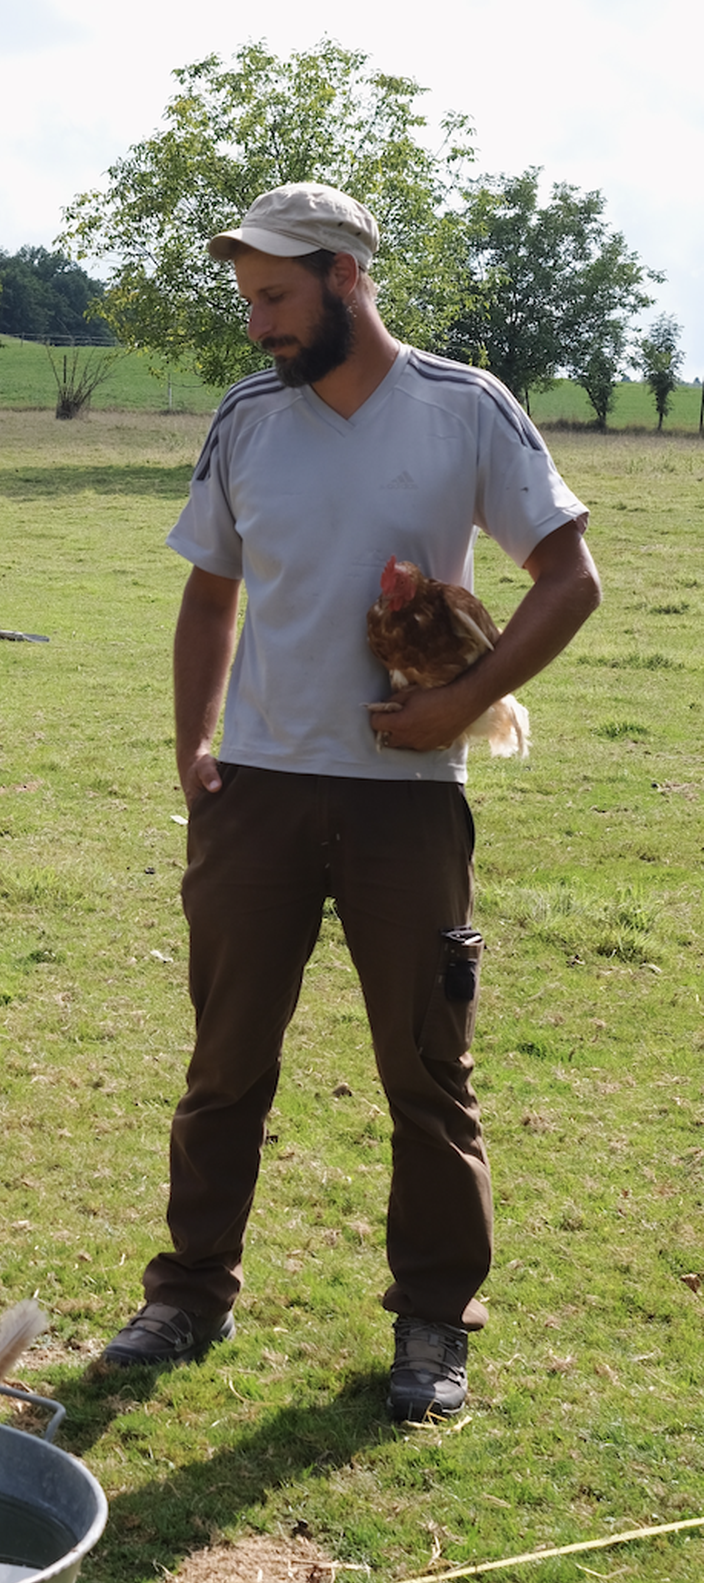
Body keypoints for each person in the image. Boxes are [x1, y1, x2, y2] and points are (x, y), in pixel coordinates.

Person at [100, 183, 601, 1421]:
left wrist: (460, 702)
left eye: (276, 297)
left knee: (426, 1072)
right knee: (225, 1064)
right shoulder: (248, 420)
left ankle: (434, 1324)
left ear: (347, 277)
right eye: (249, 299)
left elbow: (569, 578)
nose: (259, 323)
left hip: (405, 798)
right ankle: (191, 1290)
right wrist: (193, 748)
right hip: (258, 793)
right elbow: (211, 594)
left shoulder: (465, 409)